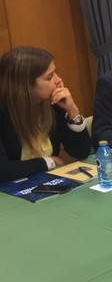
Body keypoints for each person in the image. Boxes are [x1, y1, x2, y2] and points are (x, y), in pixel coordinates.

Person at [0, 47, 91, 182]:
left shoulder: (52, 104)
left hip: (47, 183)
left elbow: (81, 151)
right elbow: (3, 170)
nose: (58, 80)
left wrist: (72, 111)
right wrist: (46, 162)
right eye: (49, 77)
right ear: (24, 86)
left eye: (55, 73)